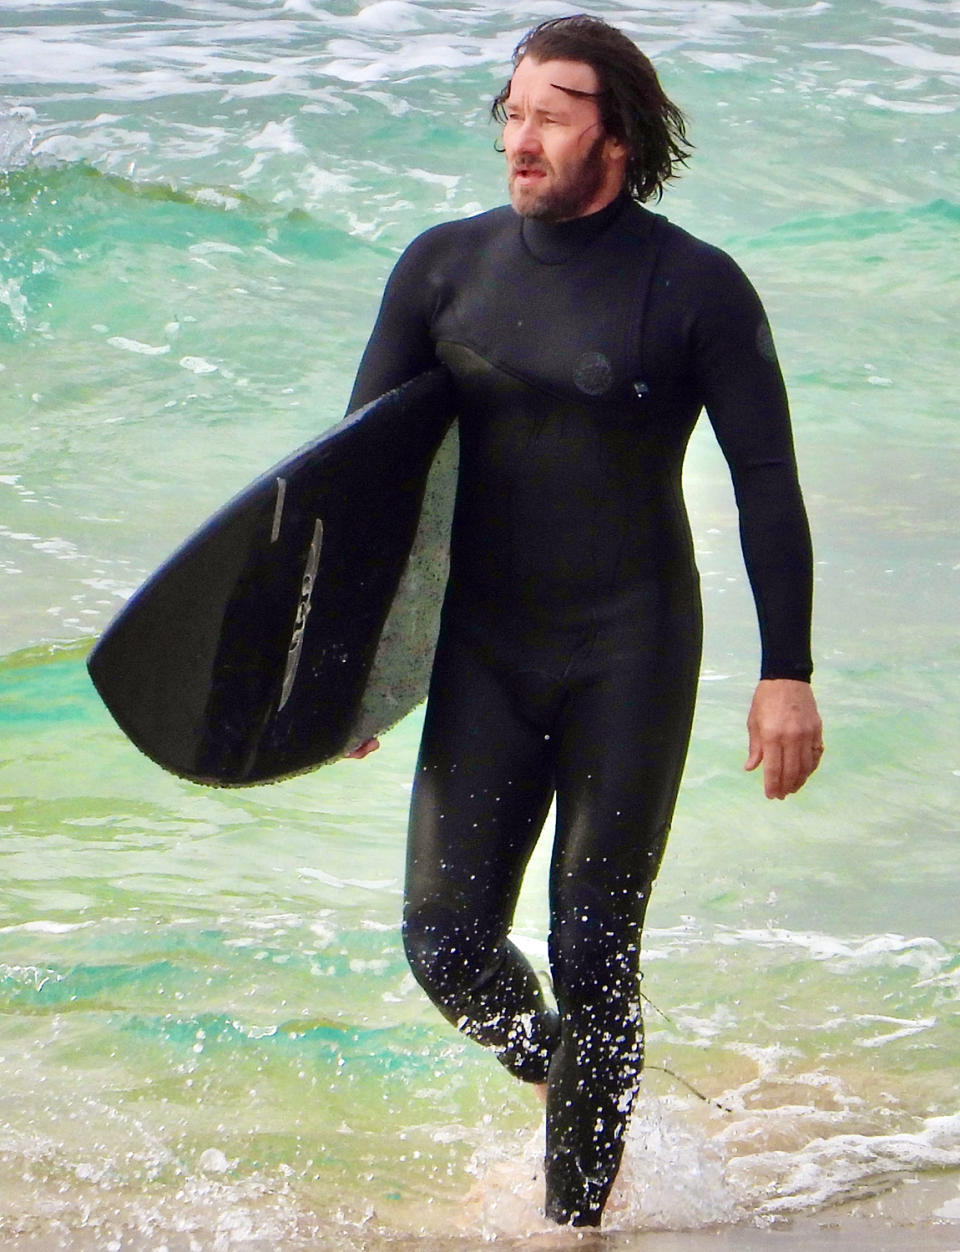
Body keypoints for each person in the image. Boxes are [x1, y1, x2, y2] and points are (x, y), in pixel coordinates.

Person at [346, 14, 823, 1228]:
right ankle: (574, 1072)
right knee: (444, 939)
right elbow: (364, 479)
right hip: (484, 652)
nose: (522, 135)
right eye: (512, 111)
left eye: (552, 113)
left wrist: (788, 672)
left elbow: (767, 477)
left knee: (593, 944)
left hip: (631, 646)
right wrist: (352, 670)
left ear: (615, 131)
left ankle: (575, 1227)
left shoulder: (695, 284)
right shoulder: (444, 269)